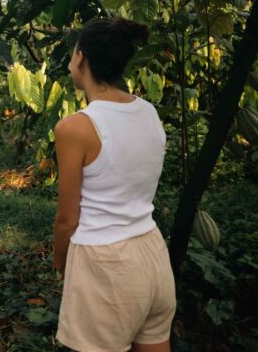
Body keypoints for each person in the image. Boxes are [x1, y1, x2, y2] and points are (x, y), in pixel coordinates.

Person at [53, 17, 176, 352]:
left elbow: (68, 219)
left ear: (81, 57)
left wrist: (63, 266)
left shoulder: (75, 128)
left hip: (105, 266)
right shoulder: (149, 112)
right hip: (152, 254)